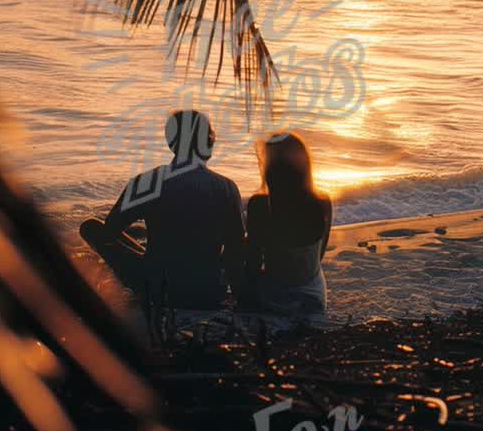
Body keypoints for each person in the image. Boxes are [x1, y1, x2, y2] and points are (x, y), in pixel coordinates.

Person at [80, 110, 245, 309]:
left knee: (91, 227)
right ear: (208, 142)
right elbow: (235, 249)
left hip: (158, 288)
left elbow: (111, 230)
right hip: (208, 291)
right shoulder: (227, 187)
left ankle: (151, 262)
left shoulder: (148, 182)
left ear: (171, 143)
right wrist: (238, 296)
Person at [245, 132, 332, 316]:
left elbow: (253, 262)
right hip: (313, 300)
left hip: (274, 300)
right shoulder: (322, 202)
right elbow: (319, 255)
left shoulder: (259, 205)